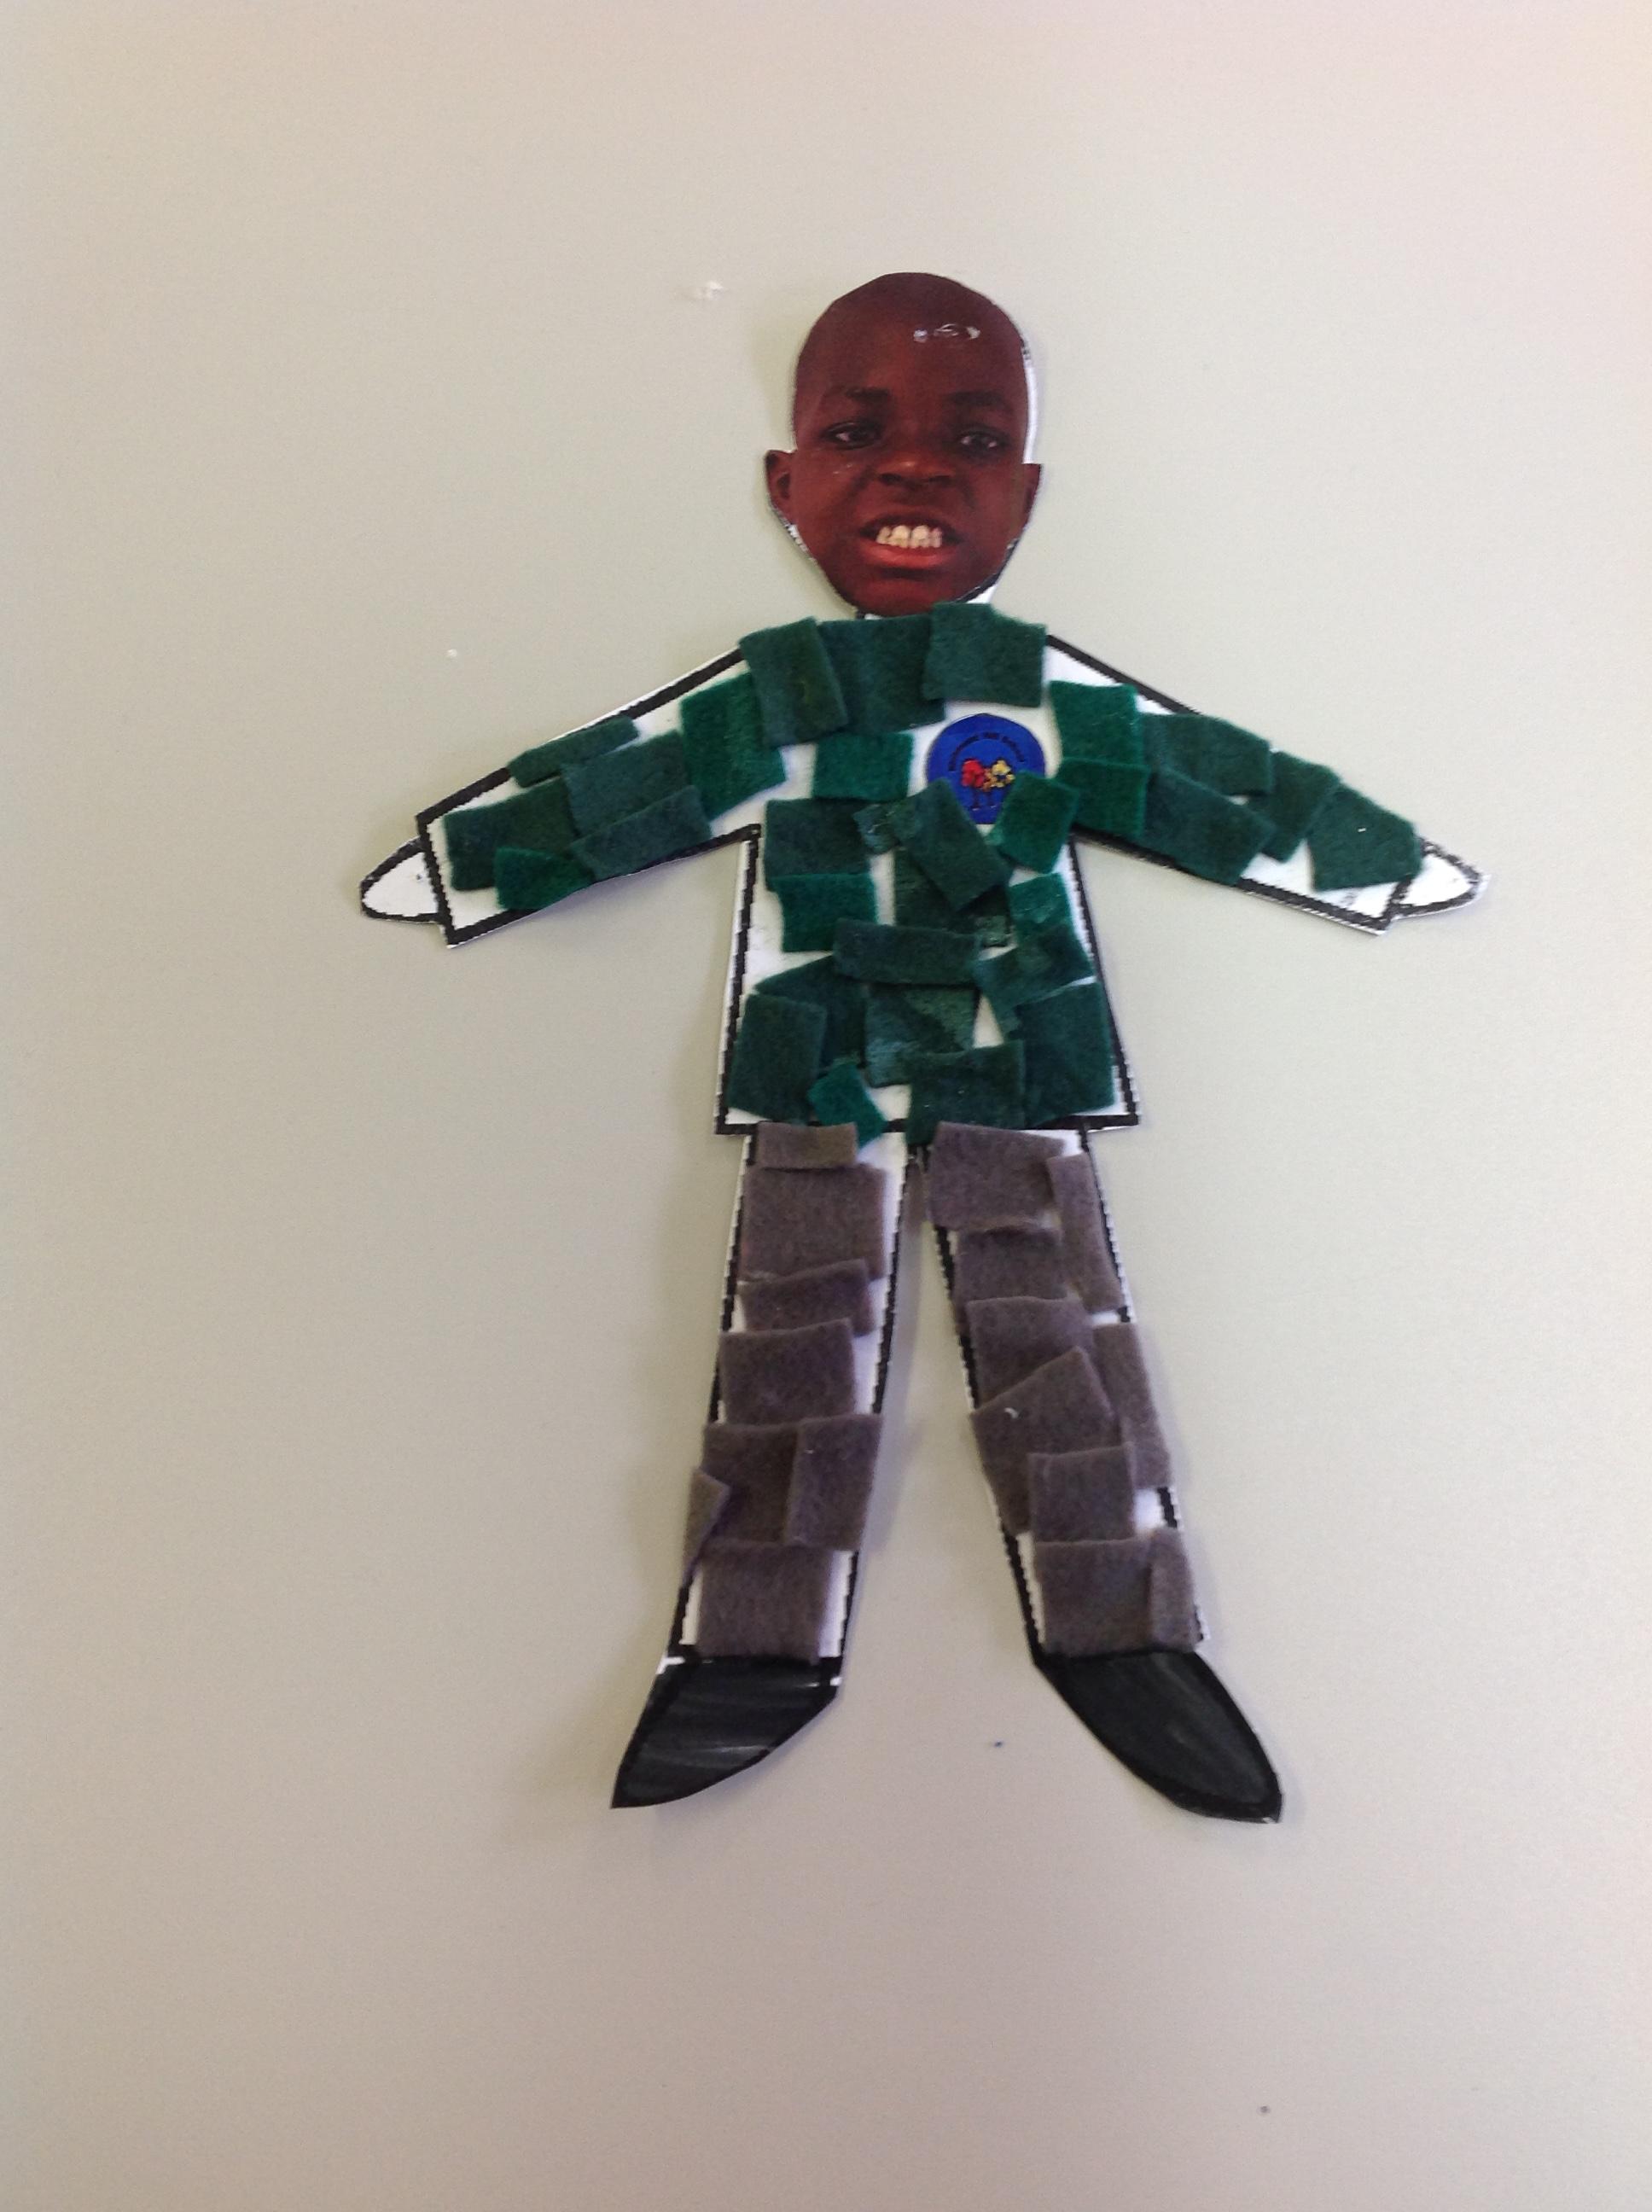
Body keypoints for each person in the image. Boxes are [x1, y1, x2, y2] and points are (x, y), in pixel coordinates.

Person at [363, 272, 1480, 1817]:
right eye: (855, 432)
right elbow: (623, 787)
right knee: (793, 1349)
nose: (913, 467)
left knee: (1063, 1340)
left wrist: (1381, 865)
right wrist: (460, 867)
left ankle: (1121, 1639)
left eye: (972, 438)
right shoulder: (772, 699)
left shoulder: (1043, 699)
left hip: (1016, 1060)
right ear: (787, 485)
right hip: (816, 1072)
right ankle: (748, 1655)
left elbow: (1204, 782)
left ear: (1025, 491)